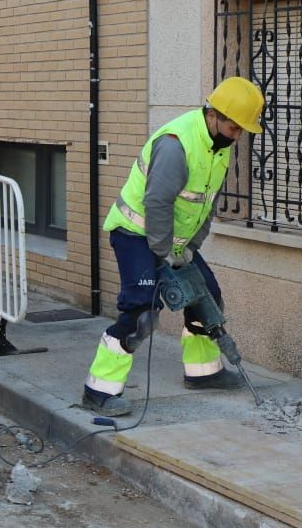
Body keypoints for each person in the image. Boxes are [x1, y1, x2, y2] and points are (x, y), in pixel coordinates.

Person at [81, 76, 265, 417]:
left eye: (242, 129)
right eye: (233, 126)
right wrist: (166, 254)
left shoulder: (218, 148)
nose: (237, 135)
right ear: (213, 114)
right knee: (141, 314)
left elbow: (207, 203)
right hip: (135, 233)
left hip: (173, 241)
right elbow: (158, 203)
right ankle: (99, 390)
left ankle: (203, 373)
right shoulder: (176, 144)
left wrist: (190, 248)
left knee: (206, 296)